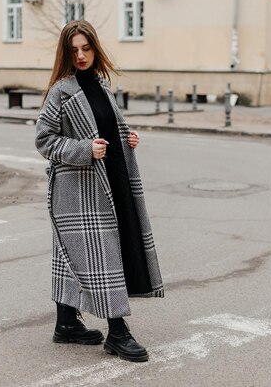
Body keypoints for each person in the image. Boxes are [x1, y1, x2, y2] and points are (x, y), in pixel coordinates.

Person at [35, 20, 164, 363]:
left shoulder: (101, 85)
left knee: (76, 256)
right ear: (66, 53)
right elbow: (44, 140)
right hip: (77, 190)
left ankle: (66, 323)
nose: (80, 55)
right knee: (101, 255)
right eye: (74, 50)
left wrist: (127, 138)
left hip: (107, 181)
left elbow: (105, 131)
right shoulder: (61, 91)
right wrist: (83, 150)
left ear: (95, 47)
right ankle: (117, 332)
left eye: (86, 48)